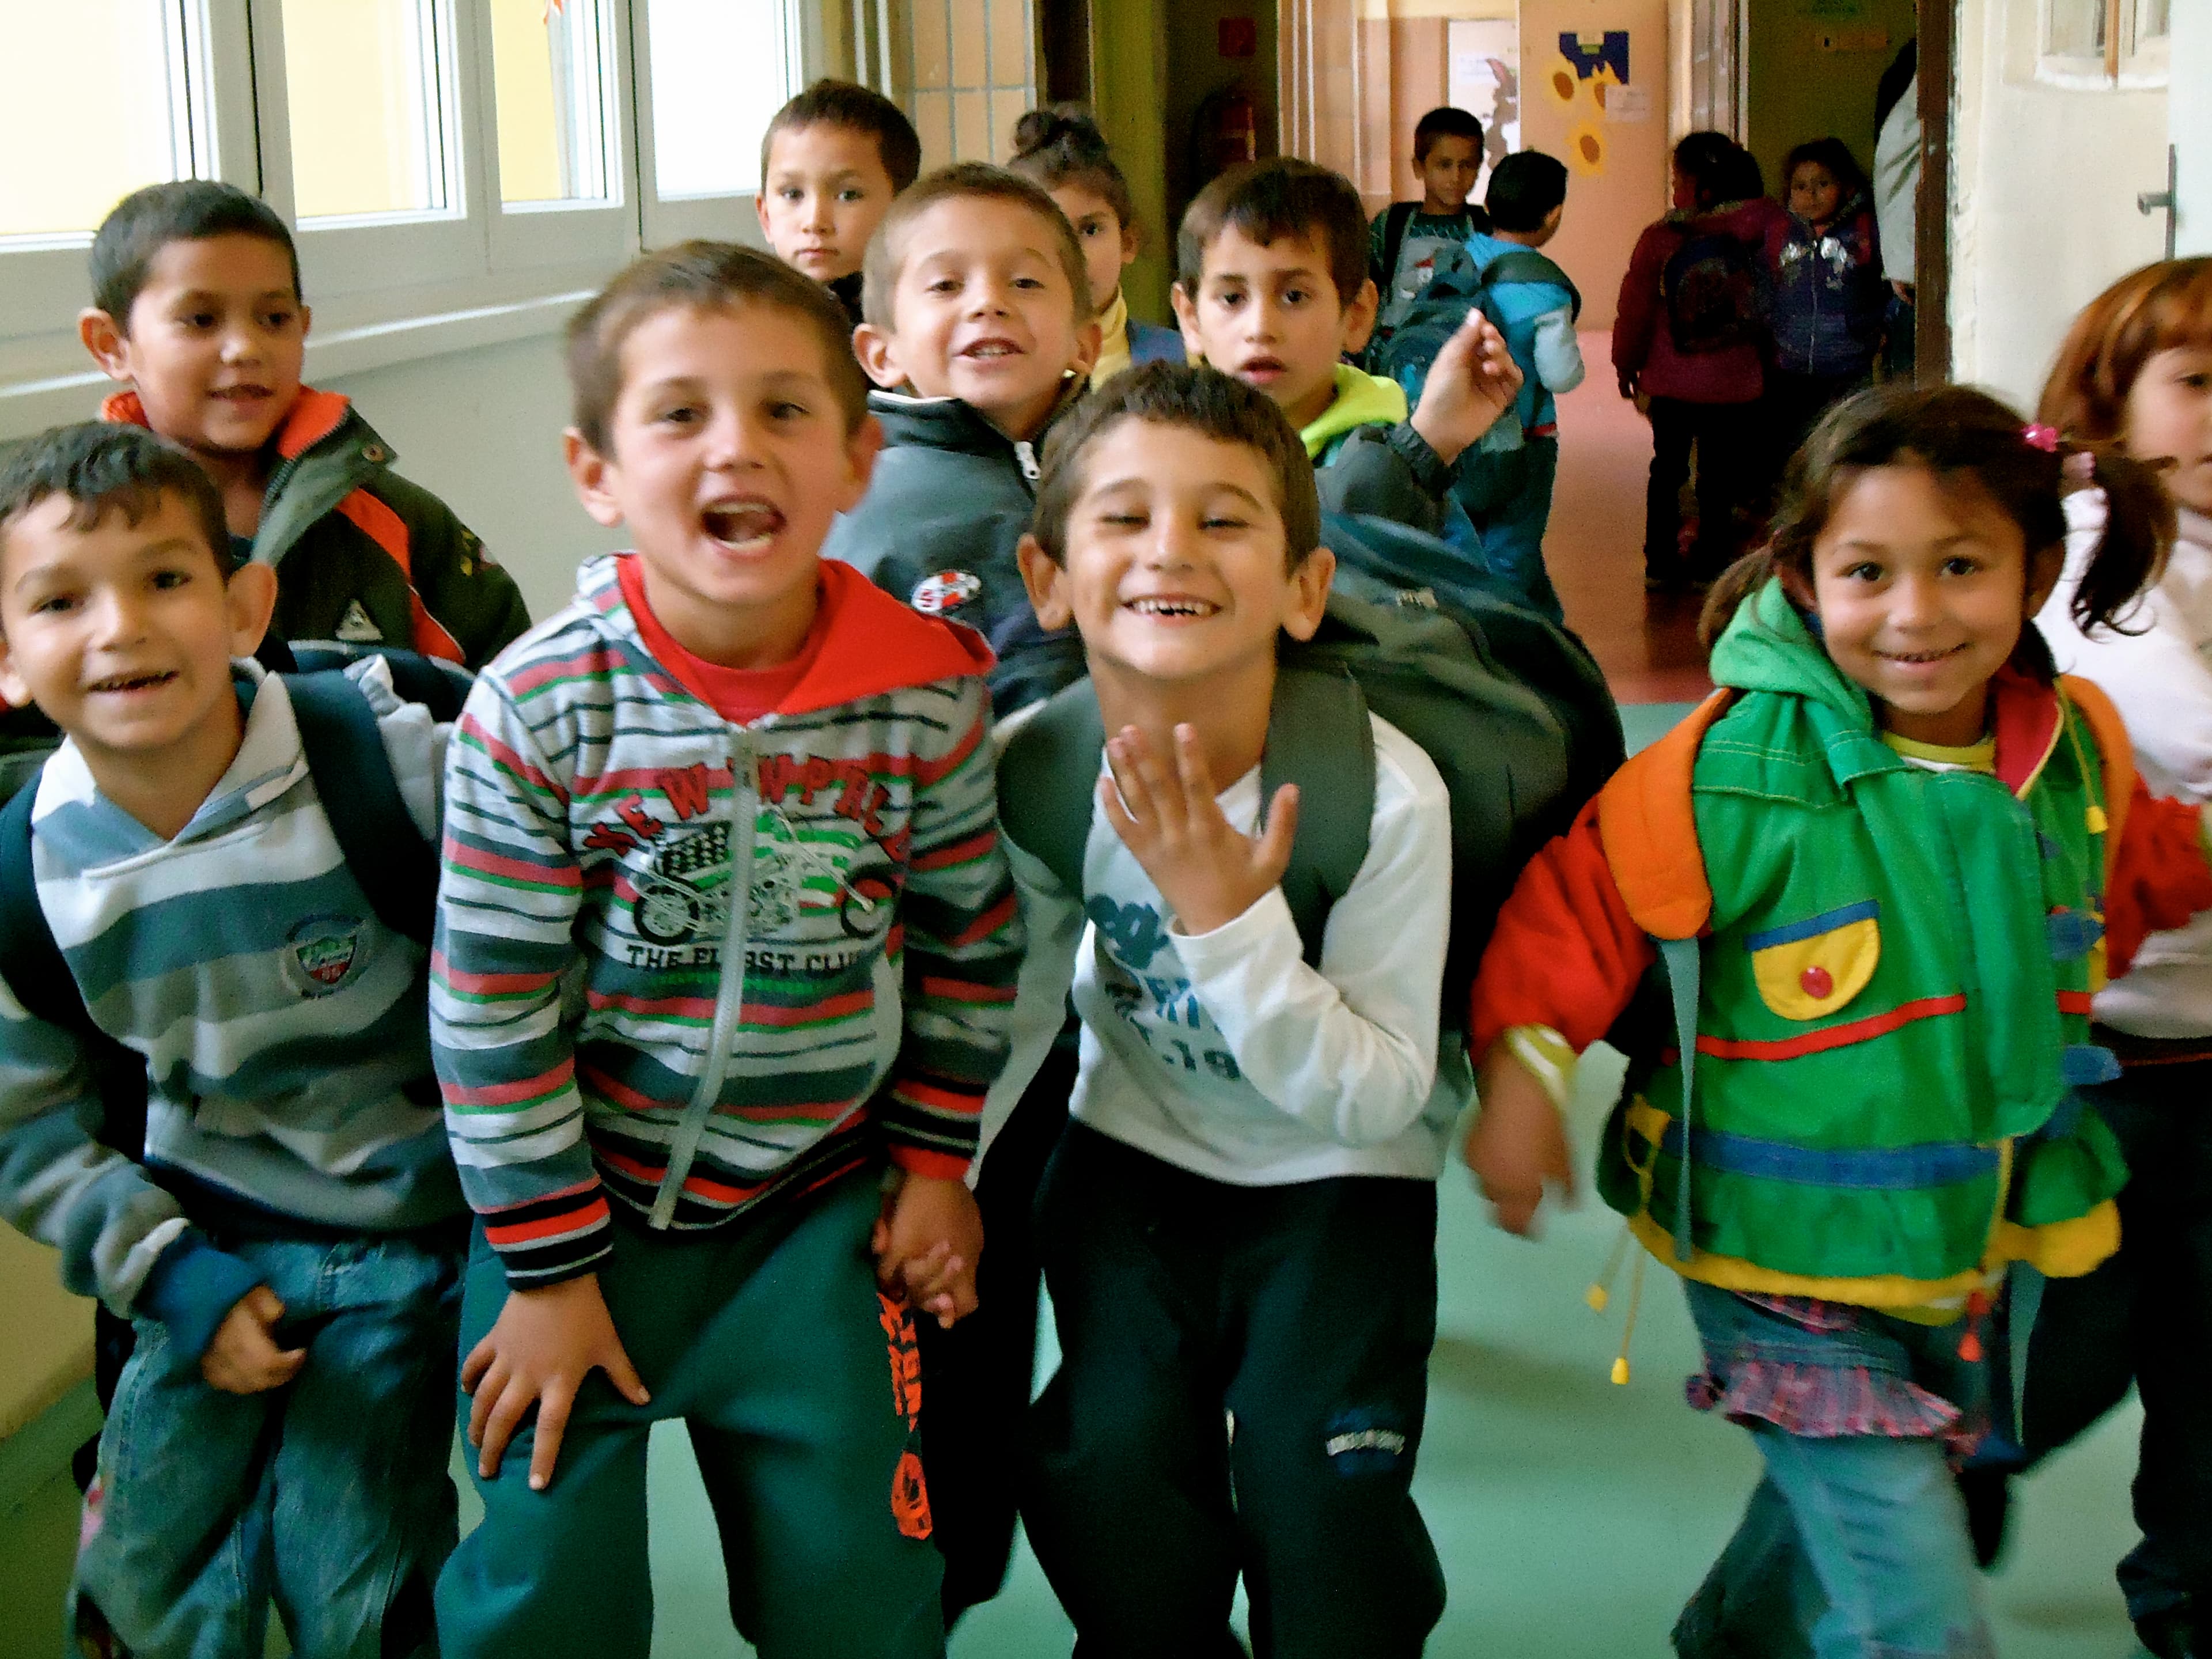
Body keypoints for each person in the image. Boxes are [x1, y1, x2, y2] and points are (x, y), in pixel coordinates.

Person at [1464, 381, 2212, 1658]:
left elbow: (2126, 881)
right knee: (1913, 1606)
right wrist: (1523, 1079)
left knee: (1863, 1503)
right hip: (1776, 1254)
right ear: (1806, 578)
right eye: (1869, 570)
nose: (1916, 613)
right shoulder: (1731, 772)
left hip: (1963, 1236)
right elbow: (1577, 911)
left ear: (2035, 571)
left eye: (1962, 566)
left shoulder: (2072, 746)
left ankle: (1729, 1641)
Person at [428, 242, 1024, 1659]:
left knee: (859, 1600)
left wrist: (937, 1166)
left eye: (781, 410)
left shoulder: (922, 695)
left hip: (813, 1223)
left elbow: (967, 945)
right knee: (540, 1600)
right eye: (679, 414)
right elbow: (490, 1009)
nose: (734, 449)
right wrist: (549, 1268)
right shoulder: (536, 710)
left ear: (856, 457)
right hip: (570, 1227)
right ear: (598, 471)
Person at [999, 362, 1456, 1655]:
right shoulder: (1039, 767)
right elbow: (1017, 1004)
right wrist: (937, 1174)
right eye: (1125, 517)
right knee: (1114, 1481)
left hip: (1338, 1186)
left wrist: (1224, 919)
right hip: (1131, 1163)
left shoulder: (1381, 797)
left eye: (1224, 519)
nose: (1171, 551)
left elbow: (1378, 1090)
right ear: (1048, 580)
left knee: (1329, 1519)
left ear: (1305, 591)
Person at [0, 421, 466, 1659]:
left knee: (357, 1573)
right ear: (5, 655)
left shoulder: (392, 762)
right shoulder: (25, 877)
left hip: (411, 1244)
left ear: (246, 604)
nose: (120, 628)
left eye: (164, 579)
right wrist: (169, 1273)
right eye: (60, 599)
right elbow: (29, 1125)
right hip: (195, 1241)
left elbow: (548, 953)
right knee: (150, 1582)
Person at [1992, 257, 2212, 1659]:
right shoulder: (2090, 546)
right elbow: (2168, 740)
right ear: (2109, 405)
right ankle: (1790, 1604)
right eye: (2194, 382)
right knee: (1999, 1400)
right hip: (2097, 1070)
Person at [79, 181, 529, 666]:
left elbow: (513, 698)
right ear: (112, 345)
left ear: (304, 326)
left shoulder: (396, 523)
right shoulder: (65, 530)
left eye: (274, 319)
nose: (246, 348)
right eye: (201, 319)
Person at [824, 162, 1101, 714]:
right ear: (882, 353)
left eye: (1024, 282)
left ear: (1084, 343)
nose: (987, 303)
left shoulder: (1130, 463)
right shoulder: (862, 503)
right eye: (947, 285)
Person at [1172, 157, 1522, 544]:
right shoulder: (1161, 448)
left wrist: (1425, 447)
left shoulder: (1406, 468)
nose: (1260, 328)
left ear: (1356, 316)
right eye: (1232, 298)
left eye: (1294, 296)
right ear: (1191, 319)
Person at [1613, 132, 1781, 589]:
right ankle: (1713, 562)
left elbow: (1636, 308)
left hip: (1671, 383)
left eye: (1677, 180)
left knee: (1667, 471)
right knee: (1719, 475)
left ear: (1697, 185)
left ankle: (1660, 562)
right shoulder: (1763, 228)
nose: (1674, 190)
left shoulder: (1661, 239)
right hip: (1736, 382)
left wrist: (1625, 364)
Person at [1450, 149, 1585, 620]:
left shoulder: (1457, 259)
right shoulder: (1545, 290)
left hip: (1452, 430)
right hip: (1524, 439)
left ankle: (1549, 628)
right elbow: (1560, 375)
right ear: (1554, 215)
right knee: (1514, 545)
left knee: (1464, 534)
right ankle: (1501, 639)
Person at [1007, 103, 1184, 385]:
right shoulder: (996, 368)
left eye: (1089, 230)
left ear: (1128, 242)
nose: (1072, 255)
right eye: (1047, 233)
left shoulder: (1183, 363)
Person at [756, 78, 923, 328]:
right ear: (766, 216)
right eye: (793, 194)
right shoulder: (751, 319)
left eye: (848, 195)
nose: (815, 221)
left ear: (904, 213)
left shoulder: (921, 317)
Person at [1764, 138, 1886, 475]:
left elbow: (1884, 285)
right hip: (1792, 362)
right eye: (1801, 186)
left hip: (1849, 360)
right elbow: (1765, 285)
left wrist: (1875, 325)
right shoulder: (1779, 233)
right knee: (1793, 449)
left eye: (1823, 184)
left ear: (1846, 187)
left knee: (1845, 448)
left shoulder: (1863, 231)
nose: (1811, 195)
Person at [1368, 106, 1494, 343]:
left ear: (1478, 168)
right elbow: (1365, 285)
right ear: (1419, 167)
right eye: (1444, 165)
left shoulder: (1484, 226)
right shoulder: (1392, 222)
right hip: (1393, 347)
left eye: (1466, 165)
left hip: (1458, 347)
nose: (1456, 177)